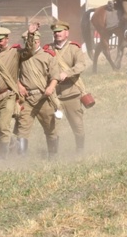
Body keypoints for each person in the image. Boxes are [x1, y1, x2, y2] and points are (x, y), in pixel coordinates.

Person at [0, 24, 34, 159]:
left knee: (3, 125)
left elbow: (29, 52)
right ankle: (11, 142)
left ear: (7, 39)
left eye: (0, 40)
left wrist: (30, 36)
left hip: (7, 95)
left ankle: (2, 159)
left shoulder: (15, 53)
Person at [14, 25, 61, 158]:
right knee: (22, 129)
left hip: (44, 98)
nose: (30, 44)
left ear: (38, 41)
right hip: (26, 98)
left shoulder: (48, 56)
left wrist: (51, 88)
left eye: (33, 41)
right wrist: (19, 85)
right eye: (27, 42)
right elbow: (11, 73)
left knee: (50, 128)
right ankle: (21, 159)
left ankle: (53, 156)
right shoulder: (20, 56)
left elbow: (55, 76)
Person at [45, 20, 88, 154]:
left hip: (71, 92)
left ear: (66, 33)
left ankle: (79, 150)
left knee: (77, 124)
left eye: (60, 31)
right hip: (54, 94)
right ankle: (53, 154)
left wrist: (67, 73)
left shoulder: (74, 49)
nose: (57, 34)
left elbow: (81, 65)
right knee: (52, 126)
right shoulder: (47, 49)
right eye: (55, 32)